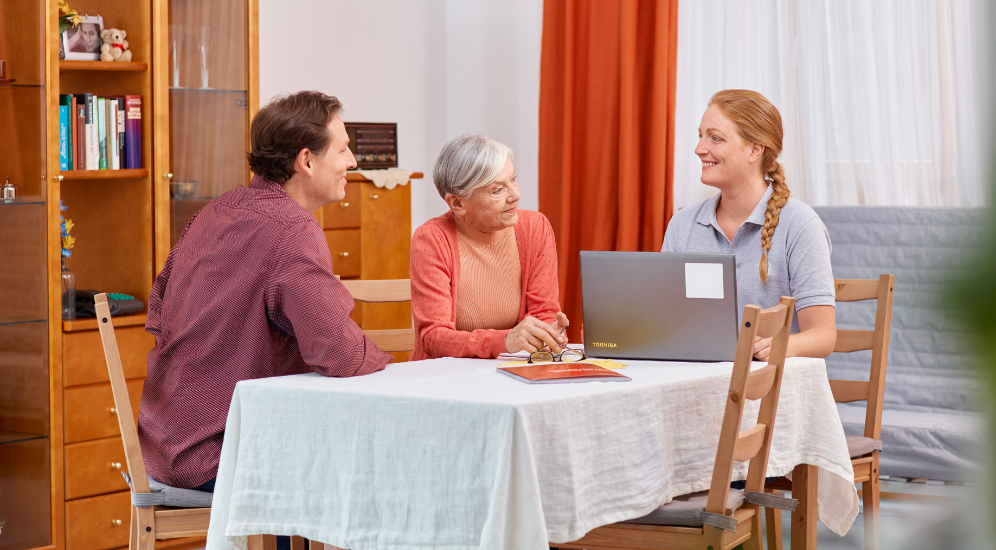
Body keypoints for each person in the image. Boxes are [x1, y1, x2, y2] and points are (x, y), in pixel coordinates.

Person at [139, 91, 392, 501]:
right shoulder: (292, 230)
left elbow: (158, 310)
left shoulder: (215, 210)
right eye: (344, 150)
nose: (353, 162)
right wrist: (382, 358)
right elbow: (340, 354)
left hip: (163, 443)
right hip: (220, 455)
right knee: (370, 471)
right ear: (306, 161)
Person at [662, 89, 836, 360]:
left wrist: (775, 346)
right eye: (700, 136)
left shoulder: (800, 225)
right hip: (698, 384)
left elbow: (823, 336)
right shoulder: (683, 224)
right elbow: (667, 320)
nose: (699, 149)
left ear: (755, 149)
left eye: (715, 138)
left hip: (768, 391)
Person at [410, 134, 569, 360]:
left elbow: (543, 313)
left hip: (511, 370)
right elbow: (434, 338)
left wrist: (547, 333)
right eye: (497, 190)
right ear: (457, 203)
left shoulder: (535, 227)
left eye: (513, 180)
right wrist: (504, 341)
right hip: (445, 377)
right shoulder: (432, 238)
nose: (516, 195)